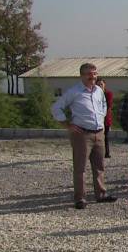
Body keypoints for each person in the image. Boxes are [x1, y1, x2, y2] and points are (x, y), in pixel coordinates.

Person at [50, 63, 117, 209]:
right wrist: (67, 124)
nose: (92, 76)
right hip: (82, 134)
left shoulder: (99, 91)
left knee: (99, 166)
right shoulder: (74, 92)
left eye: (94, 73)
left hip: (98, 133)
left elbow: (103, 106)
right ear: (81, 75)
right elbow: (56, 107)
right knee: (80, 168)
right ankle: (80, 198)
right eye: (88, 74)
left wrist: (101, 122)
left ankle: (101, 194)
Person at [97, 77, 114, 159]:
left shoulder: (108, 93)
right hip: (96, 118)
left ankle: (107, 152)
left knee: (105, 136)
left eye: (101, 84)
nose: (100, 86)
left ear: (104, 85)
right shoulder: (94, 94)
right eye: (98, 84)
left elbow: (108, 105)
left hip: (105, 118)